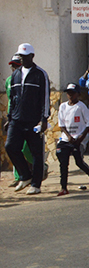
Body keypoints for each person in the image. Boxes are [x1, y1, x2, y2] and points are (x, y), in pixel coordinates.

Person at [5, 43, 50, 195]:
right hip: (17, 120)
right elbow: (13, 98)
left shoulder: (40, 74)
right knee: (10, 146)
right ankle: (25, 175)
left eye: (25, 57)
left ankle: (36, 184)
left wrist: (44, 119)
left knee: (36, 153)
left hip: (34, 120)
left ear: (32, 56)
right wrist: (9, 117)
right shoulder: (16, 75)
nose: (22, 59)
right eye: (20, 56)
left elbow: (45, 98)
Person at [56, 83, 89, 195]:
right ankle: (63, 187)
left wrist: (81, 136)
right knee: (63, 162)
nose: (70, 95)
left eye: (73, 93)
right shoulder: (63, 106)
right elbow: (61, 124)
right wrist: (68, 136)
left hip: (78, 139)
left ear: (78, 94)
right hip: (66, 139)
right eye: (69, 93)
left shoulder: (81, 106)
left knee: (79, 161)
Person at [5, 54, 34, 189]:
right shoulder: (9, 80)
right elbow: (11, 100)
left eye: (16, 65)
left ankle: (37, 169)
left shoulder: (29, 77)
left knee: (25, 148)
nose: (13, 67)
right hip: (14, 117)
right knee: (12, 147)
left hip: (27, 118)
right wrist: (9, 117)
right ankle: (20, 177)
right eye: (12, 65)